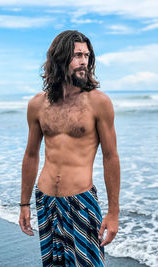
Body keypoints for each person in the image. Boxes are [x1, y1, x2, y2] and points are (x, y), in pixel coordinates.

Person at [19, 30, 120, 267]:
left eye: (86, 55)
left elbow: (111, 157)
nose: (84, 61)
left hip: (81, 200)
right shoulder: (37, 104)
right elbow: (31, 154)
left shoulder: (99, 102)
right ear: (60, 58)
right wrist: (24, 204)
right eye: (77, 55)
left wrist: (113, 213)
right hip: (46, 200)